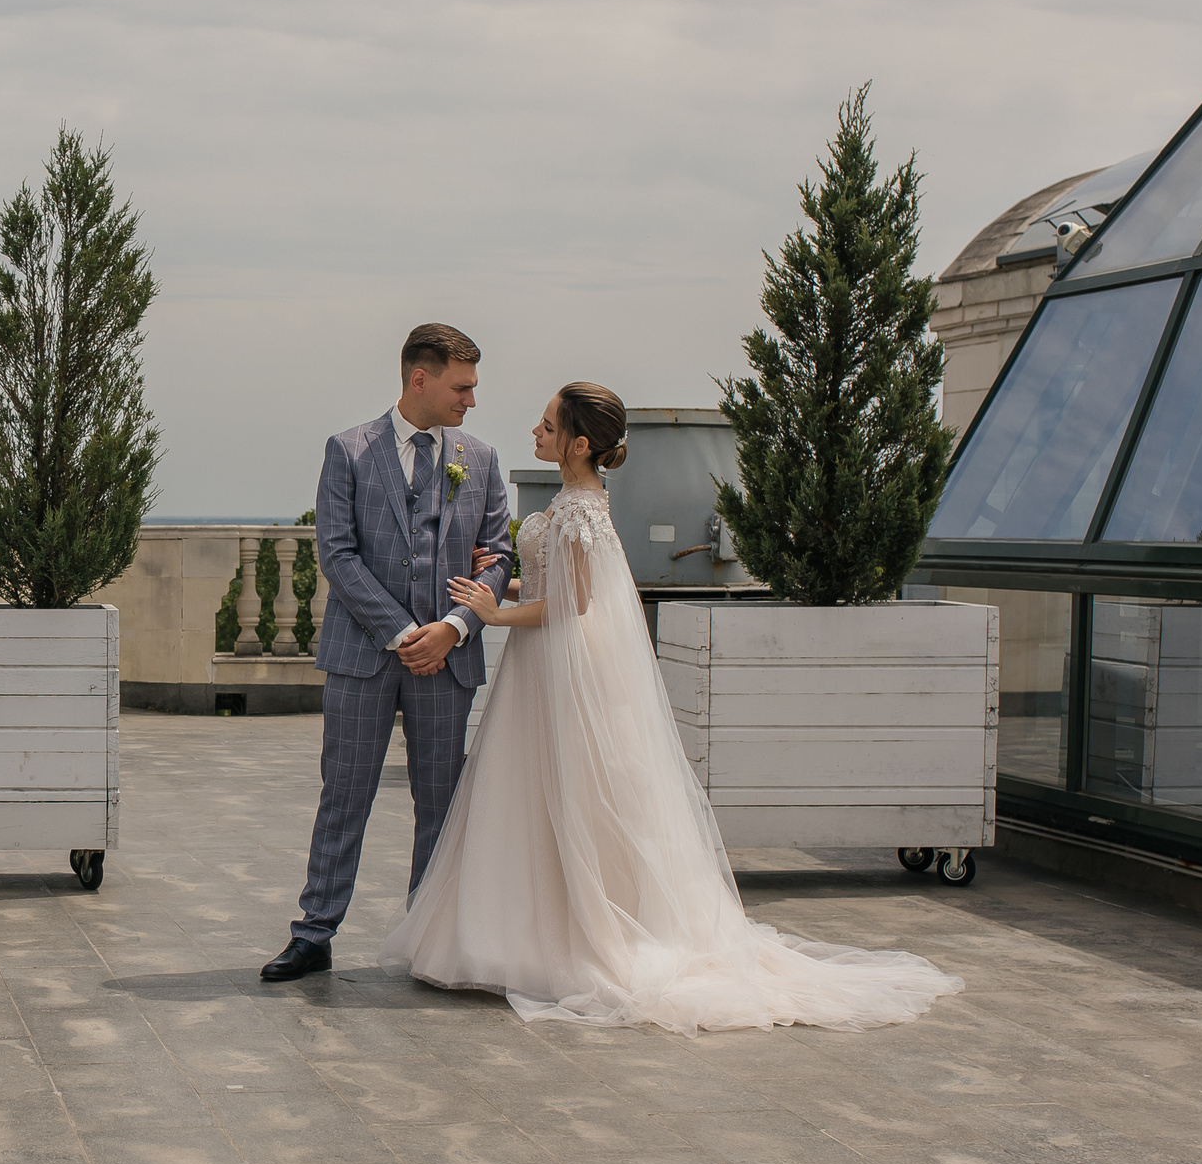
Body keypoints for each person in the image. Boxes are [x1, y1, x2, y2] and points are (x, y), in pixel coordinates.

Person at [380, 382, 962, 1033]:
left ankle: (557, 937)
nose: (535, 433)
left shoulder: (577, 509)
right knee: (546, 795)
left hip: (559, 663)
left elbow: (573, 606)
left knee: (562, 793)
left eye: (547, 426)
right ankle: (533, 928)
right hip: (553, 666)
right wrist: (505, 580)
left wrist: (496, 612)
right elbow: (573, 584)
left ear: (577, 444)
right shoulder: (581, 503)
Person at [263, 324, 514, 983]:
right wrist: (406, 633)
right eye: (462, 387)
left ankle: (427, 937)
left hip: (448, 658)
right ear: (419, 379)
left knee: (441, 802)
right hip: (364, 654)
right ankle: (314, 931)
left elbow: (500, 556)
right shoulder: (348, 451)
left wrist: (454, 627)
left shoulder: (481, 459)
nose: (472, 400)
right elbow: (337, 553)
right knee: (343, 795)